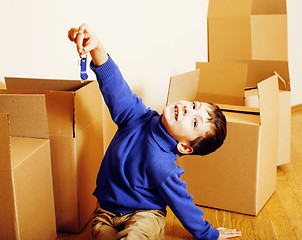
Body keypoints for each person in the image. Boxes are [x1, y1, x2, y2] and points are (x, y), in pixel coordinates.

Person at [68, 23, 242, 240]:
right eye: (195, 105)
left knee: (136, 235)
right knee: (100, 234)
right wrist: (96, 48)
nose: (189, 109)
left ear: (185, 147)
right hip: (106, 211)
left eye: (195, 122)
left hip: (145, 213)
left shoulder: (165, 168)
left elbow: (182, 203)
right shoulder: (135, 116)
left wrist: (208, 233)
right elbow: (114, 85)